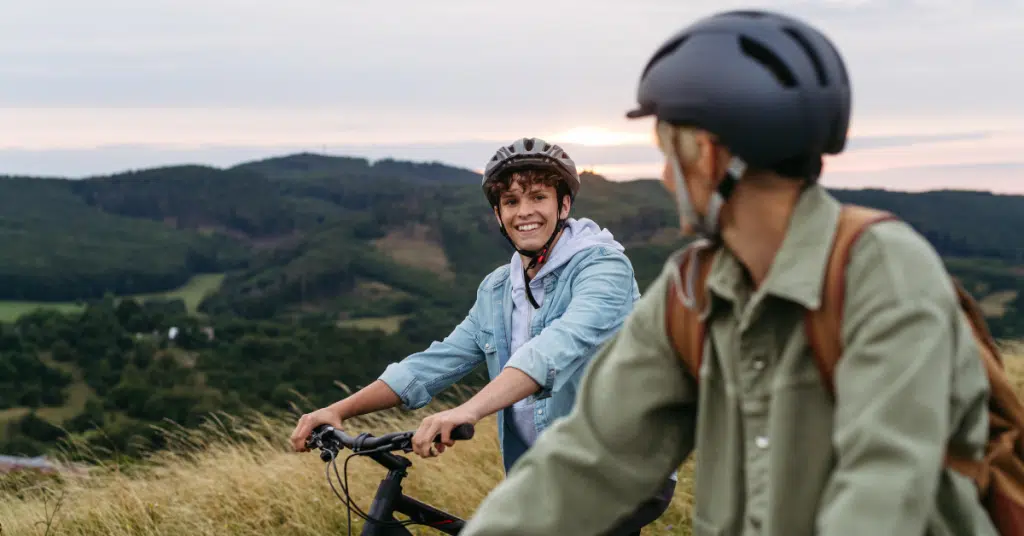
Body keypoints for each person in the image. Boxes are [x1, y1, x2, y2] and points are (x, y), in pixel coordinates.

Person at [460, 10, 997, 536]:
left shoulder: (882, 273)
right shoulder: (690, 291)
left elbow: (883, 492)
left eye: (670, 155)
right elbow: (589, 460)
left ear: (709, 156)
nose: (667, 178)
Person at [289, 137, 676, 534]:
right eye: (510, 202)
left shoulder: (603, 268)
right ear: (498, 214)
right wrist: (339, 410)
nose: (524, 212)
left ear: (563, 205)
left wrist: (468, 410)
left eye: (538, 197)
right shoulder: (498, 289)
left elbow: (554, 347)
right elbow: (433, 363)